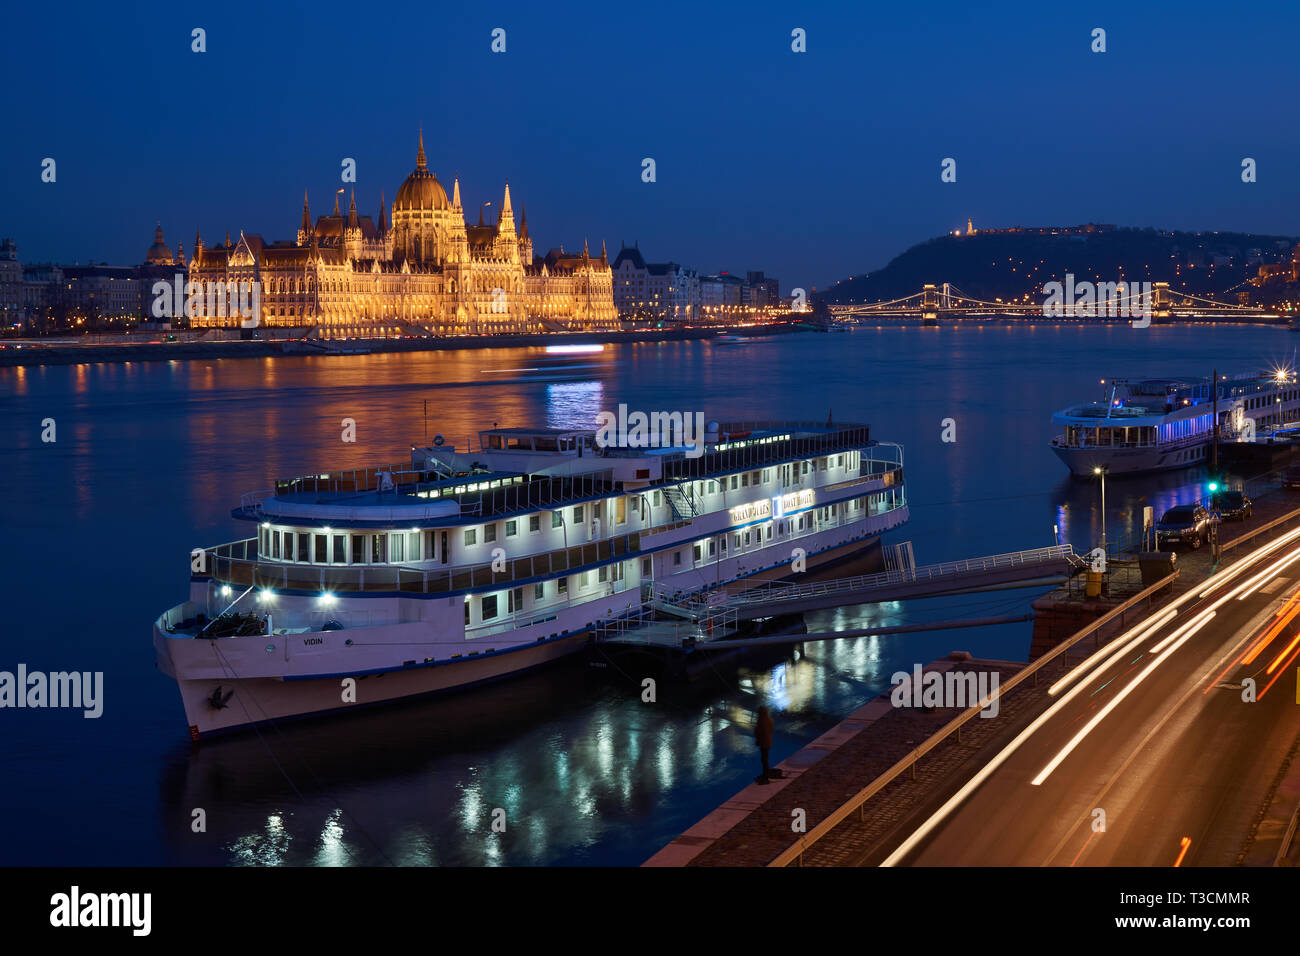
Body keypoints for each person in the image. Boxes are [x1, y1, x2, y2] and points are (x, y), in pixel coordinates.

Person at [754, 705, 775, 783]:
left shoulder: (761, 722)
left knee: (764, 759)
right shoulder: (769, 720)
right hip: (768, 742)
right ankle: (766, 773)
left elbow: (760, 733)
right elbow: (771, 730)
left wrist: (758, 740)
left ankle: (766, 775)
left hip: (763, 743)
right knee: (765, 759)